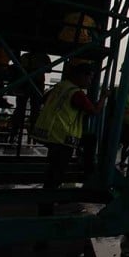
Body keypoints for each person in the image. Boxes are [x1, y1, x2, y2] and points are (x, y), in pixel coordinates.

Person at [33, 62, 107, 215]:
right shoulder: (76, 93)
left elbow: (44, 100)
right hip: (62, 137)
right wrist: (103, 98)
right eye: (89, 78)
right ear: (81, 76)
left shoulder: (60, 87)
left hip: (49, 134)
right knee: (56, 173)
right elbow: (93, 111)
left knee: (53, 170)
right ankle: (46, 207)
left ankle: (47, 202)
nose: (90, 82)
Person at [9, 51, 51, 143]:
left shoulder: (25, 56)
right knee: (35, 110)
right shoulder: (44, 56)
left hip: (24, 84)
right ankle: (32, 136)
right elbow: (49, 69)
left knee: (20, 109)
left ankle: (14, 134)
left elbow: (18, 68)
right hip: (37, 85)